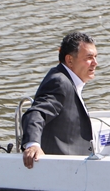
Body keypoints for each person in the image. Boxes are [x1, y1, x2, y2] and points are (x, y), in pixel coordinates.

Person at [21, 31, 99, 169]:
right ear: (69, 60)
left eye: (95, 57)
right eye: (89, 58)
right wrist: (33, 145)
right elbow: (36, 113)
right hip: (61, 169)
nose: (95, 63)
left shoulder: (69, 81)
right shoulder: (59, 82)